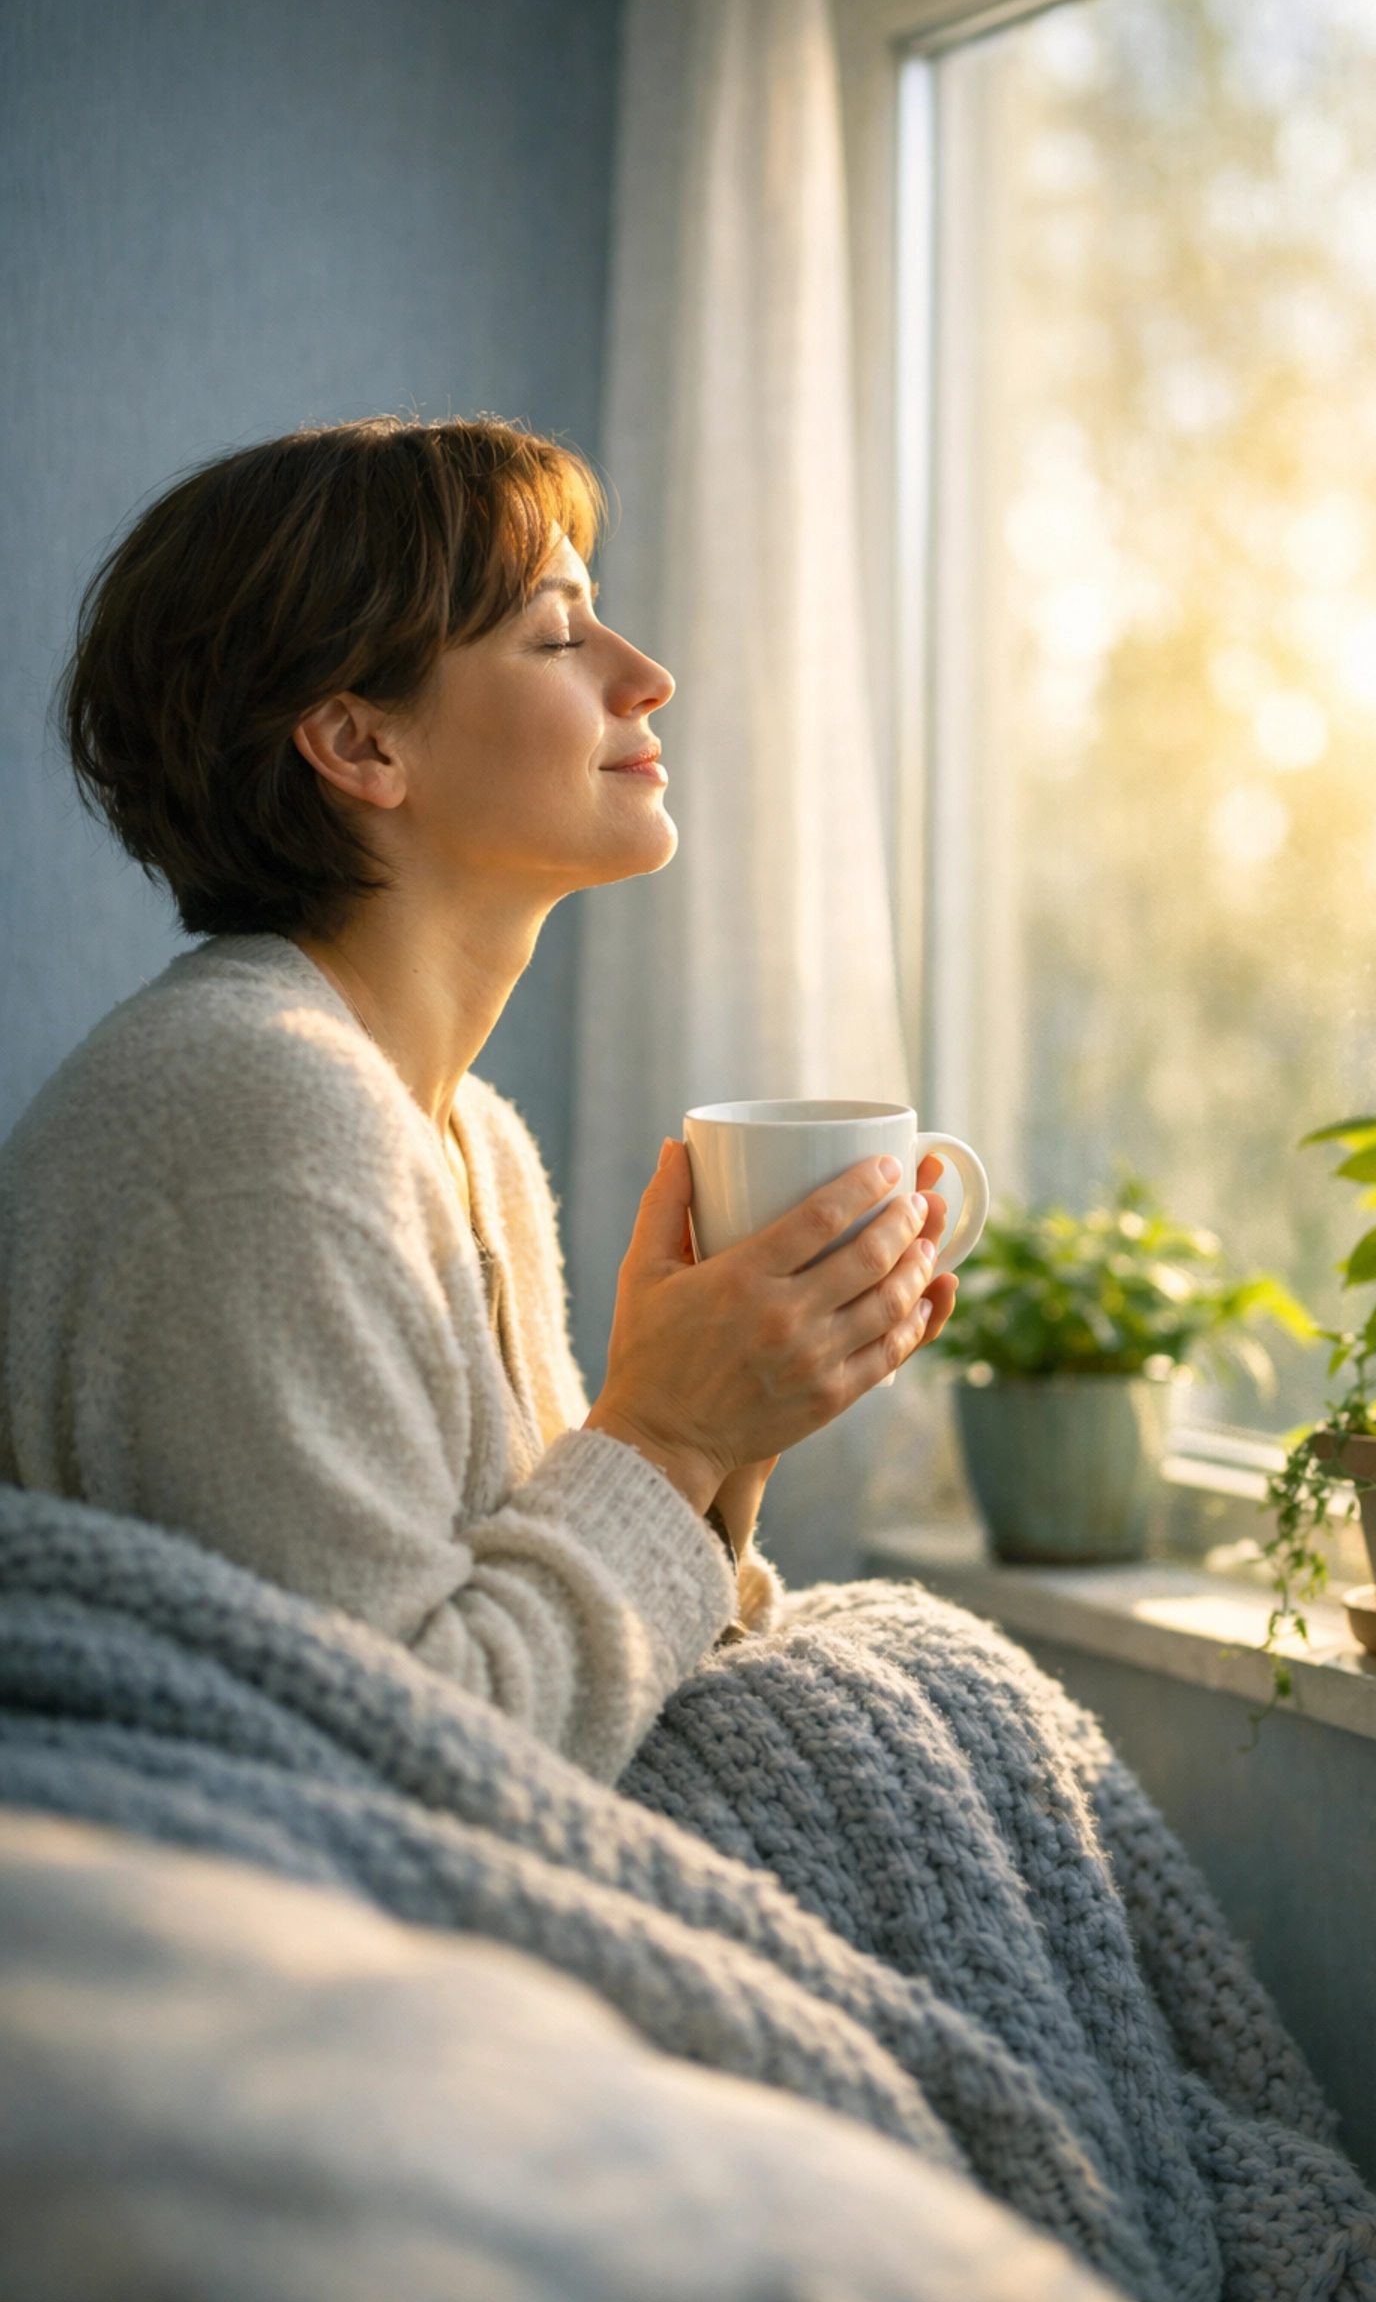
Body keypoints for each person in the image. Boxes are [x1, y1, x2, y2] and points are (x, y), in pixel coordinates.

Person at [0, 414, 956, 1785]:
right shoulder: (256, 1118)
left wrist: (729, 1433)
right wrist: (664, 1430)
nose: (648, 676)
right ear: (358, 742)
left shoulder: (471, 1139)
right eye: (559, 635)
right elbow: (388, 1770)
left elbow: (556, 1667)